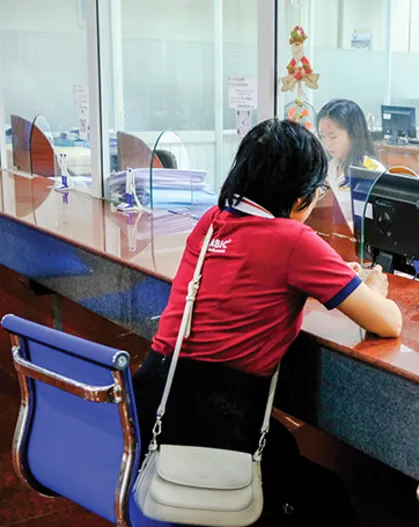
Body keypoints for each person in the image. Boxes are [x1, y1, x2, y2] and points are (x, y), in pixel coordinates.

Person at [134, 119, 402, 525]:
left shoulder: (211, 222)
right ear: (300, 196)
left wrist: (323, 278)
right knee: (329, 497)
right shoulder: (294, 241)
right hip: (219, 427)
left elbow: (245, 284)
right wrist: (374, 289)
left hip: (154, 407)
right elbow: (388, 323)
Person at [317, 98, 384, 233]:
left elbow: (374, 223)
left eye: (333, 137)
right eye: (323, 136)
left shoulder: (371, 171)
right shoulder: (327, 167)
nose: (327, 144)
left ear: (353, 135)